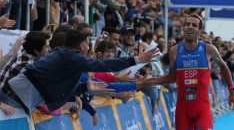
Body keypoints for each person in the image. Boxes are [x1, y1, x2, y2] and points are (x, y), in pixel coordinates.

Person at [7, 29, 159, 114]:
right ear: (81, 45)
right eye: (88, 43)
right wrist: (136, 60)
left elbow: (68, 86)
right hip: (14, 97)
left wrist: (85, 89)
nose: (90, 46)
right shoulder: (71, 57)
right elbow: (104, 66)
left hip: (19, 96)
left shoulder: (65, 57)